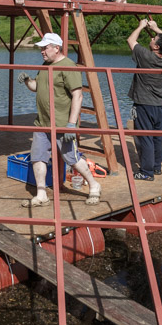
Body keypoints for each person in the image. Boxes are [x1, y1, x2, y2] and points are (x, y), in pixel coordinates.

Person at [17, 33, 102, 207]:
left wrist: (71, 124)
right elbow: (36, 87)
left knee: (71, 158)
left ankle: (94, 185)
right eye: (41, 48)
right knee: (38, 157)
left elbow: (77, 96)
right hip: (42, 122)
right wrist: (27, 80)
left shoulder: (68, 66)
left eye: (45, 48)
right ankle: (41, 194)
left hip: (63, 123)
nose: (42, 51)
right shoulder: (45, 66)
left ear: (57, 48)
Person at [126, 18, 162, 180]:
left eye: (153, 39)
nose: (151, 38)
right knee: (157, 135)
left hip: (144, 103)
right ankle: (156, 167)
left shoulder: (146, 56)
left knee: (145, 136)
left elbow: (131, 40)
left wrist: (141, 26)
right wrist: (156, 28)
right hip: (160, 103)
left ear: (156, 47)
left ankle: (146, 172)